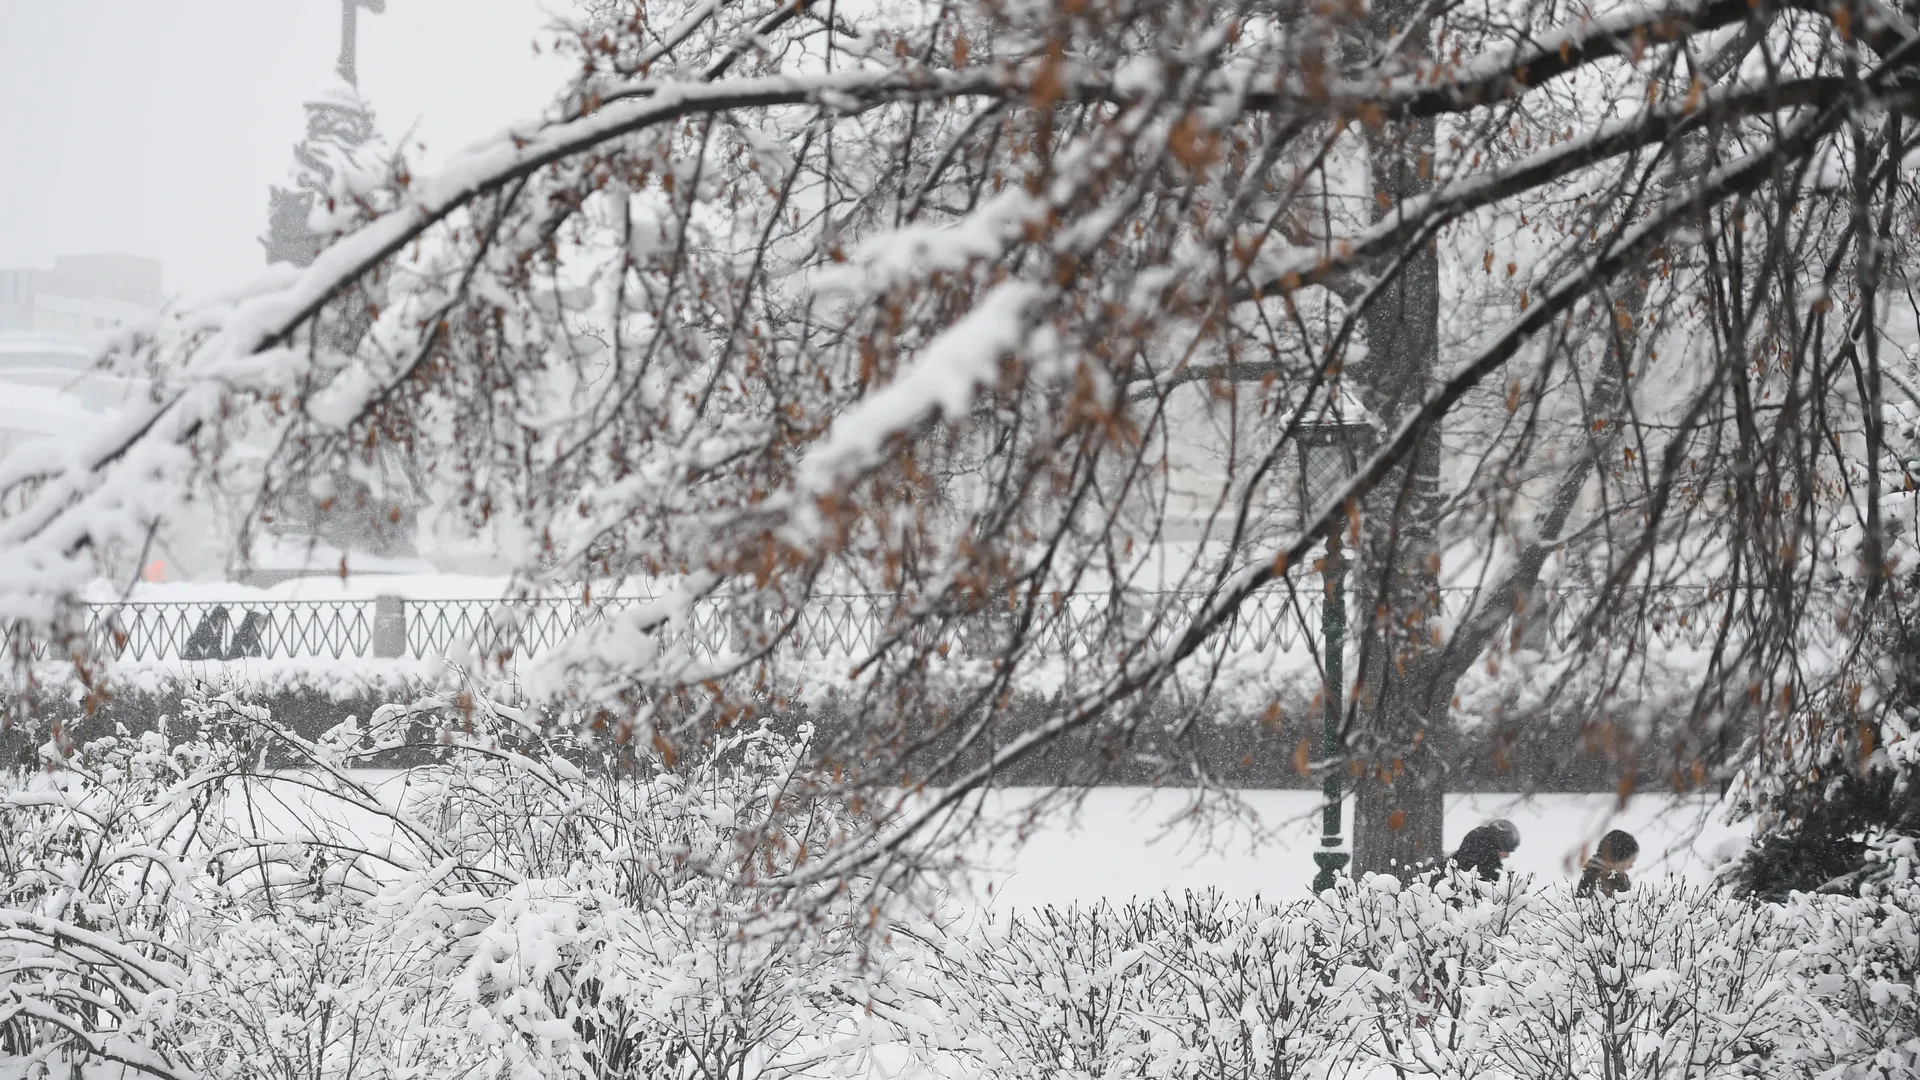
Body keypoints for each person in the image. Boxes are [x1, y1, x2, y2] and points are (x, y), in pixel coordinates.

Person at [1446, 819, 1521, 883]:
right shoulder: (1474, 872)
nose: (1507, 856)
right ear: (1496, 846)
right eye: (1506, 850)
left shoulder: (1486, 866)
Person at [1575, 829, 1639, 898]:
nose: (1631, 865)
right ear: (1617, 858)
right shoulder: (1596, 879)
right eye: (1630, 860)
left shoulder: (1617, 877)